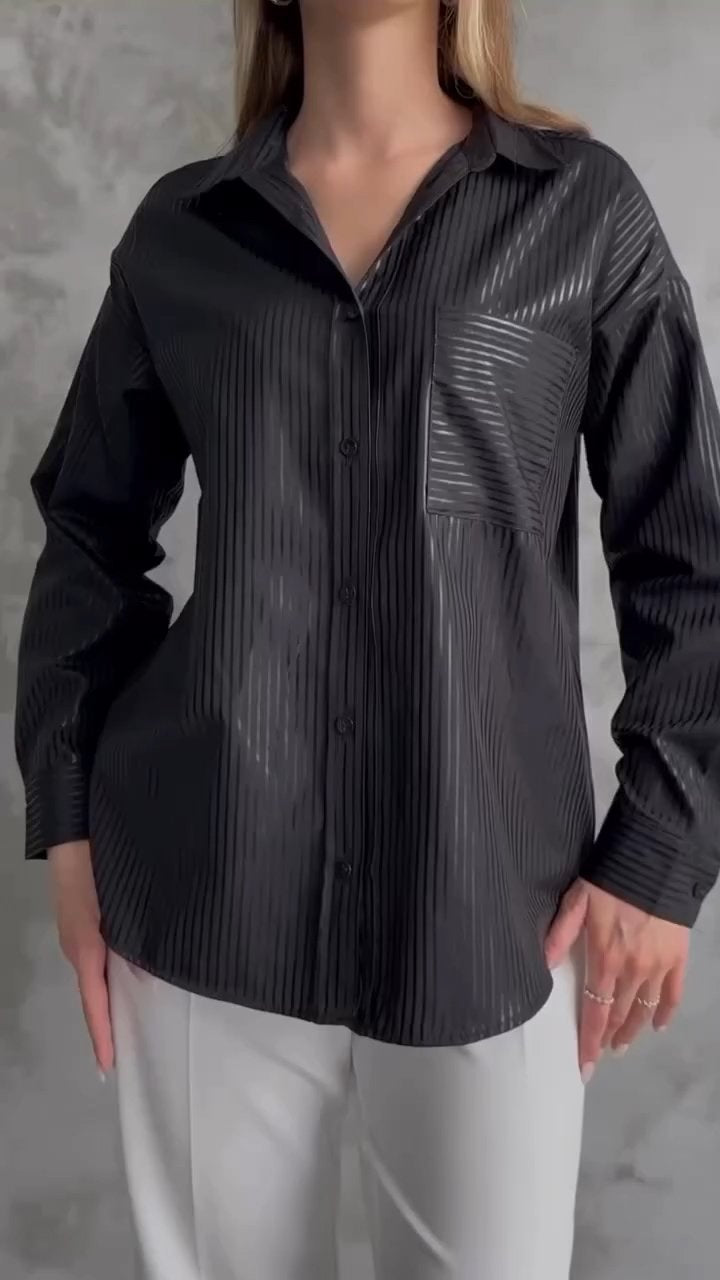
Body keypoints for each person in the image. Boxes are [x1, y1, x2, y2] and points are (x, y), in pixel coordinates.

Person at [14, 0, 720, 1276]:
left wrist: (659, 850)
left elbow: (691, 555)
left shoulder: (581, 211)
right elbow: (88, 530)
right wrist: (67, 821)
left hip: (492, 904)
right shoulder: (184, 230)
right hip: (202, 878)